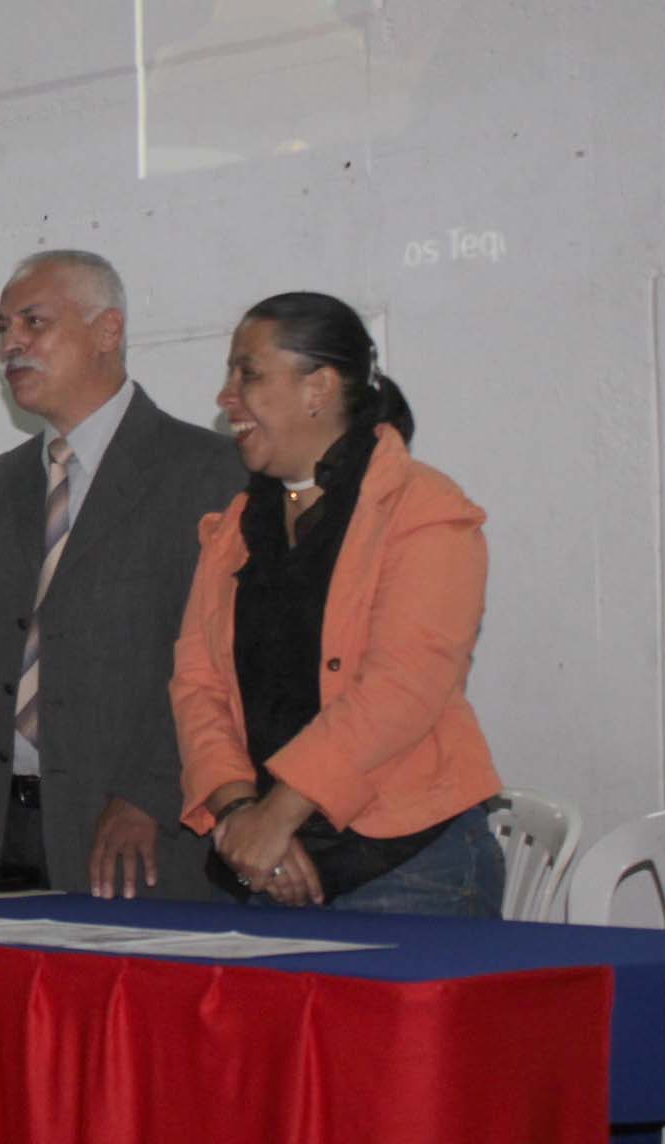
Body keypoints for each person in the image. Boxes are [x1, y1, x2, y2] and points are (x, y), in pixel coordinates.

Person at [0, 251, 244, 897]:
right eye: (3, 327)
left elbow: (221, 659)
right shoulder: (7, 481)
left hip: (144, 832)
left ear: (108, 331)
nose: (11, 343)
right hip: (13, 830)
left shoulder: (205, 470)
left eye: (33, 322)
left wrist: (151, 793)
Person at [171, 291, 503, 916]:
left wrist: (280, 813)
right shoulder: (236, 526)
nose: (225, 396)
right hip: (259, 863)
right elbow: (197, 686)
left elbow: (405, 686)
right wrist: (243, 813)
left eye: (249, 373)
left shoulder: (424, 506)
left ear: (318, 387)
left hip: (408, 868)